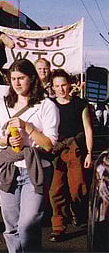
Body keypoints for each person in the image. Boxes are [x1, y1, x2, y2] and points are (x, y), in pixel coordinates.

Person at [0, 59, 59, 252]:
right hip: (9, 169)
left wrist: (27, 127)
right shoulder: (4, 105)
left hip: (35, 170)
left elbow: (49, 145)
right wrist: (7, 141)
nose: (17, 83)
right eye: (13, 79)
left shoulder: (46, 105)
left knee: (27, 226)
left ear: (32, 78)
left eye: (21, 78)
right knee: (11, 227)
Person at [48, 68, 94, 242]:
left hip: (75, 149)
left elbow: (88, 129)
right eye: (57, 86)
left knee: (77, 189)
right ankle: (58, 226)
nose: (61, 89)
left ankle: (77, 210)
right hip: (56, 151)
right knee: (55, 190)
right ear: (52, 87)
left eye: (64, 85)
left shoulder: (80, 104)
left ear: (70, 85)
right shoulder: (49, 104)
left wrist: (89, 153)